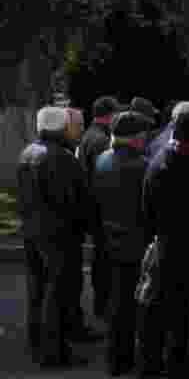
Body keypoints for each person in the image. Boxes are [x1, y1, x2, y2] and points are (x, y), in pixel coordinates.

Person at [141, 111, 189, 378]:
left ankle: (174, 368)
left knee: (173, 317)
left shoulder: (157, 163)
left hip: (167, 249)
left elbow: (147, 211)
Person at [17, 107, 88, 368]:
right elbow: (69, 200)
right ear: (61, 128)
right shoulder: (62, 157)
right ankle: (54, 352)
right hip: (58, 233)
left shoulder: (28, 152)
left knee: (36, 288)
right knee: (56, 292)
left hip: (31, 229)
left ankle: (37, 342)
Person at [91, 111, 151, 376]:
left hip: (109, 238)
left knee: (118, 303)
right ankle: (135, 359)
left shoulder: (102, 159)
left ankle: (116, 359)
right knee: (138, 304)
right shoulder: (142, 165)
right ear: (137, 137)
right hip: (136, 242)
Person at [74, 95, 121, 335]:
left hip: (91, 208)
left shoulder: (88, 136)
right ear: (108, 115)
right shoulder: (102, 140)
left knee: (99, 261)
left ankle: (100, 304)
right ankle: (104, 306)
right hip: (102, 209)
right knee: (105, 261)